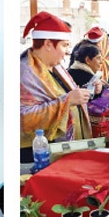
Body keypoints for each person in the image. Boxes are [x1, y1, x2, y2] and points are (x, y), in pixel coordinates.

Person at [20, 11, 91, 164]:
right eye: (64, 45)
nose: (67, 51)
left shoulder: (56, 68)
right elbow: (23, 118)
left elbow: (64, 93)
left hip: (63, 149)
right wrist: (67, 101)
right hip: (38, 156)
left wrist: (87, 90)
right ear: (47, 44)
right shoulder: (25, 72)